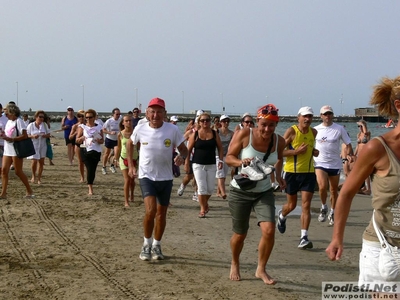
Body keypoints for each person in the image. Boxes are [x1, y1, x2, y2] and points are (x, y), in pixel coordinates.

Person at [326, 75, 400, 286]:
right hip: (384, 248)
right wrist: (337, 237)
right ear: (399, 105)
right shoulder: (377, 148)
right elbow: (347, 192)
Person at [225, 104, 285, 284]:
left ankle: (261, 269)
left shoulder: (278, 141)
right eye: (264, 124)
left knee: (269, 230)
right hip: (240, 191)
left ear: (276, 124)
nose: (267, 129)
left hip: (263, 191)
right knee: (240, 234)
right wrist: (240, 162)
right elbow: (228, 157)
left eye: (272, 125)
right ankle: (235, 262)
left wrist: (279, 177)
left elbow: (278, 158)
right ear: (257, 121)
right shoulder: (245, 134)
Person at [127, 97, 188, 261]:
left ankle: (157, 245)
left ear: (164, 114)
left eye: (159, 112)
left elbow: (184, 149)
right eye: (152, 112)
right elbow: (130, 144)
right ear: (147, 113)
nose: (155, 115)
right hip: (146, 175)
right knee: (151, 211)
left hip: (166, 177)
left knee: (161, 214)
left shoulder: (172, 130)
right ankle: (146, 244)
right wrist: (132, 166)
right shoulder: (140, 128)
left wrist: (181, 157)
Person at [277, 106, 319, 249]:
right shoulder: (292, 131)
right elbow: (279, 152)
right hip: (292, 174)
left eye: (310, 117)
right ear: (298, 117)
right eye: (305, 116)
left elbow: (309, 148)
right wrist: (296, 152)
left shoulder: (314, 132)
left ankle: (304, 237)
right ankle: (282, 216)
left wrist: (313, 151)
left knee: (306, 205)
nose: (308, 119)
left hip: (309, 173)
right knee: (292, 205)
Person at [314, 105, 354, 226]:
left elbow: (348, 143)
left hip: (334, 164)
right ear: (321, 116)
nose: (328, 116)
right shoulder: (315, 129)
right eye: (325, 114)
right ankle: (323, 207)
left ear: (332, 115)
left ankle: (333, 211)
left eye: (330, 114)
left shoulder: (339, 129)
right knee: (322, 187)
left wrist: (350, 154)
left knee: (333, 190)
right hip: (320, 162)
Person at [186, 112, 224, 217]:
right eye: (203, 120)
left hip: (211, 164)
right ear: (199, 122)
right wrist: (186, 163)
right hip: (197, 164)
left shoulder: (215, 133)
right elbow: (188, 150)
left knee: (210, 188)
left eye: (207, 120)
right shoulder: (195, 134)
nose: (205, 122)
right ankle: (202, 209)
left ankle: (205, 203)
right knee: (202, 187)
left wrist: (220, 161)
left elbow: (220, 148)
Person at [0, 103, 34, 199]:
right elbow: (8, 133)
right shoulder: (8, 122)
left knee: (18, 171)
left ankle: (29, 190)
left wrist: (13, 139)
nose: (5, 115)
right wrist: (3, 135)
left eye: (7, 114)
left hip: (16, 149)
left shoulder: (19, 121)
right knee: (4, 171)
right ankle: (3, 193)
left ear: (12, 113)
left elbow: (25, 135)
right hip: (7, 148)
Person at [76, 109, 104, 195]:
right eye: (86, 117)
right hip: (85, 150)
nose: (88, 119)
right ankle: (90, 188)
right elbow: (77, 140)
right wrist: (81, 138)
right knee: (89, 167)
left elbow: (102, 140)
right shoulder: (82, 127)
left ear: (94, 117)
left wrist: (99, 140)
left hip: (96, 150)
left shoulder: (99, 127)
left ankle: (90, 182)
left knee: (93, 169)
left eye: (90, 117)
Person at [115, 114, 138, 207]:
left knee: (132, 180)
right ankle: (126, 201)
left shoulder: (136, 133)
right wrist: (115, 158)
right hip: (123, 158)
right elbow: (119, 147)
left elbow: (139, 147)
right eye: (126, 121)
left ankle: (132, 194)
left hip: (134, 159)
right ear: (123, 123)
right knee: (127, 180)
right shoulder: (120, 134)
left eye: (130, 120)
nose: (129, 122)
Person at [26, 110, 51, 184]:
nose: (41, 118)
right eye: (40, 117)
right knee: (34, 161)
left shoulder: (45, 125)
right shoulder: (31, 125)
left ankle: (39, 178)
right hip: (34, 145)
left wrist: (44, 135)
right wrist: (33, 136)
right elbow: (26, 135)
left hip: (42, 145)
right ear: (36, 117)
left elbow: (49, 134)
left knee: (41, 162)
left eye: (43, 117)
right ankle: (33, 176)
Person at [216, 114, 234, 199]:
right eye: (224, 121)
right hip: (217, 156)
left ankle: (218, 191)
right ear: (221, 122)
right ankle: (223, 193)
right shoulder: (216, 132)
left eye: (227, 121)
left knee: (224, 174)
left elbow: (234, 145)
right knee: (221, 174)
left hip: (226, 156)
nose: (226, 123)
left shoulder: (231, 133)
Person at [102, 108, 121, 175]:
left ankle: (112, 165)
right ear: (113, 114)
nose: (118, 115)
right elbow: (103, 130)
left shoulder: (120, 120)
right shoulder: (109, 121)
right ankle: (104, 167)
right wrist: (110, 132)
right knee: (107, 153)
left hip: (117, 139)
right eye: (117, 114)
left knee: (116, 153)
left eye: (119, 114)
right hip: (109, 139)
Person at [355, 119, 372, 195]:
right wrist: (353, 155)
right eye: (358, 126)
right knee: (360, 171)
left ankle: (369, 189)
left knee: (366, 172)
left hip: (366, 154)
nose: (360, 127)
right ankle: (364, 186)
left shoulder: (367, 133)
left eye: (361, 126)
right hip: (359, 154)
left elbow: (365, 132)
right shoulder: (358, 134)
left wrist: (363, 124)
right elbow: (357, 146)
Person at [69, 110, 86, 182]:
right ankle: (82, 177)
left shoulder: (88, 125)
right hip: (78, 145)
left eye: (82, 116)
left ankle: (89, 177)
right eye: (79, 116)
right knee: (80, 162)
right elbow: (70, 137)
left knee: (87, 162)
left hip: (87, 144)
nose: (81, 118)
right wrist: (76, 133)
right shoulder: (75, 126)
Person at [0, 103, 9, 179]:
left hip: (3, 143)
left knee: (2, 164)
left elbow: (9, 130)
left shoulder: (5, 119)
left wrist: (4, 132)